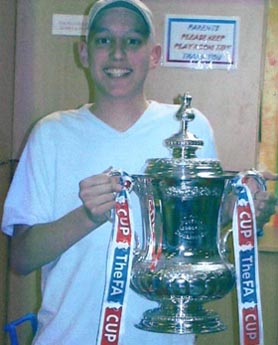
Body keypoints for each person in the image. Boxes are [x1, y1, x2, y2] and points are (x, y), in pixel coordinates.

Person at [1, 0, 276, 344]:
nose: (118, 54)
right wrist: (88, 216)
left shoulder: (188, 128)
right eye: (104, 41)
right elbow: (22, 258)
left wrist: (243, 214)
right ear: (84, 53)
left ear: (154, 55)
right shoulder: (51, 134)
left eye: (132, 41)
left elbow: (204, 232)